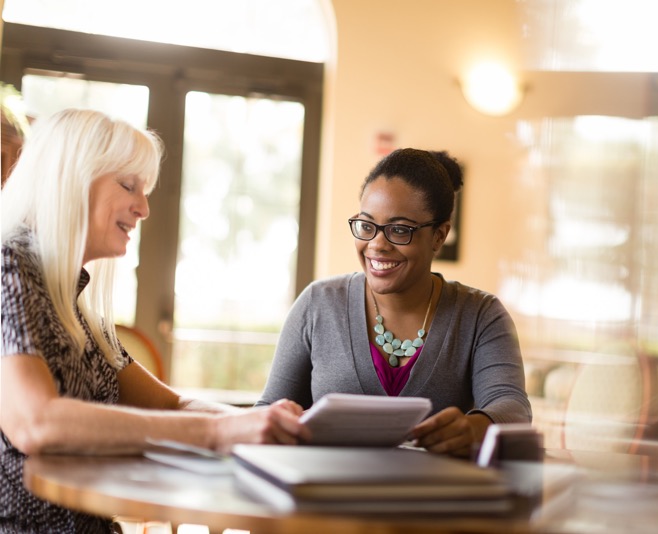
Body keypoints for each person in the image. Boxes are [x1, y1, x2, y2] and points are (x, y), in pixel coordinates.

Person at [0, 108, 310, 534]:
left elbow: (170, 404)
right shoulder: (8, 266)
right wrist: (221, 434)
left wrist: (266, 428)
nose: (143, 208)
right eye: (129, 186)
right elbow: (35, 423)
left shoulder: (68, 298)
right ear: (69, 179)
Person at [257, 147, 532, 457]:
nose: (377, 245)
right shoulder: (317, 304)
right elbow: (267, 410)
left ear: (439, 236)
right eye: (366, 225)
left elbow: (513, 408)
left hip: (433, 500)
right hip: (326, 496)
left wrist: (473, 428)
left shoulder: (481, 315)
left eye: (399, 230)